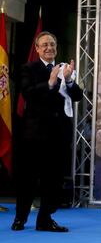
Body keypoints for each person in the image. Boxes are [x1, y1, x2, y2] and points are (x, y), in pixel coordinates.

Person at [11, 31, 83, 232]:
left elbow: (77, 96)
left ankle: (45, 219)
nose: (49, 48)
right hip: (35, 134)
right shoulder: (28, 68)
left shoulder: (65, 69)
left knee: (54, 179)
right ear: (37, 48)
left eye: (52, 44)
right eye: (45, 45)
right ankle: (20, 218)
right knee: (28, 179)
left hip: (59, 134)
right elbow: (28, 94)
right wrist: (51, 82)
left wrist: (68, 81)